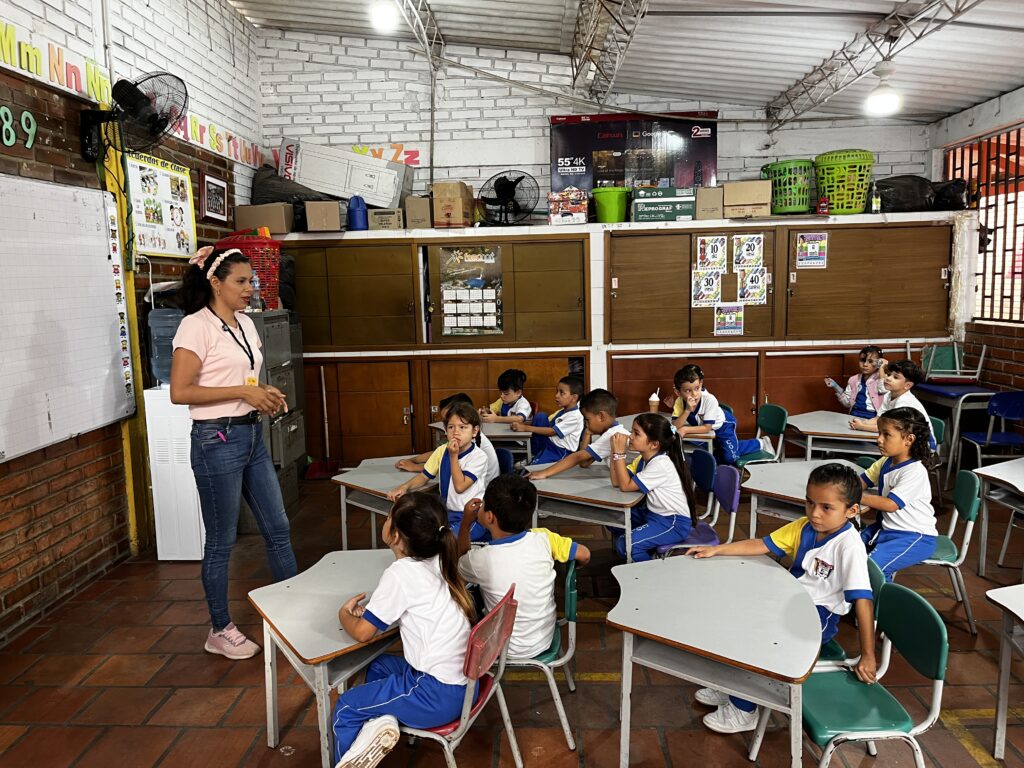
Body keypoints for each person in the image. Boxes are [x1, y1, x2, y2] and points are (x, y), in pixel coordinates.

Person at [170, 245, 296, 660]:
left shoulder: (245, 324)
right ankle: (219, 628)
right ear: (215, 283)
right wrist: (243, 391)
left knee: (277, 528)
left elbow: (242, 376)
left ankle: (291, 615)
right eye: (241, 281)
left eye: (251, 281)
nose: (250, 288)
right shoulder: (195, 327)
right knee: (221, 541)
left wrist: (260, 393)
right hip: (215, 441)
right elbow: (181, 392)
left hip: (251, 435)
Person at [690, 463, 876, 734]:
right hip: (792, 601)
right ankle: (732, 687)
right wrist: (718, 550)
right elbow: (763, 544)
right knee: (740, 618)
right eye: (810, 502)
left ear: (851, 511)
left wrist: (868, 654)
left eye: (826, 507)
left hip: (818, 615)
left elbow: (863, 601)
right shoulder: (804, 527)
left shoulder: (849, 546)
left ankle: (744, 710)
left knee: (764, 641)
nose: (814, 513)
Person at [330, 492, 477, 768]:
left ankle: (355, 753)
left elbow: (362, 633)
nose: (385, 520)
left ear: (395, 535)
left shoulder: (400, 574)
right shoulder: (440, 557)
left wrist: (344, 613)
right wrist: (374, 613)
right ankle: (379, 729)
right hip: (464, 684)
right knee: (379, 666)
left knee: (347, 707)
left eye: (388, 517)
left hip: (436, 694)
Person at [456, 474, 591, 658]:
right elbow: (584, 554)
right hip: (545, 637)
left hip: (503, 649)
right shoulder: (543, 538)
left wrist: (466, 522)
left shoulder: (481, 559)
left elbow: (461, 559)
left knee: (464, 599)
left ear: (489, 517)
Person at [388, 401, 491, 541]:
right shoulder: (442, 451)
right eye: (451, 427)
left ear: (474, 431)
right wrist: (404, 487)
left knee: (444, 542)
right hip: (446, 513)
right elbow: (424, 476)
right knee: (422, 536)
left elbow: (460, 487)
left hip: (470, 516)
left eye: (462, 427)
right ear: (445, 430)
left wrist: (453, 456)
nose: (456, 432)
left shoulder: (478, 457)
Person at [858, 407, 939, 581]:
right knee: (848, 549)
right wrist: (840, 485)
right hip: (886, 529)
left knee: (873, 570)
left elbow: (890, 504)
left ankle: (879, 606)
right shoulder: (886, 461)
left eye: (886, 435)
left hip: (914, 536)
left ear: (909, 439)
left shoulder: (914, 471)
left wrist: (852, 495)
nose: (879, 439)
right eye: (879, 433)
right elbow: (862, 481)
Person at [608, 413, 695, 561]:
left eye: (636, 433)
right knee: (613, 518)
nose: (630, 436)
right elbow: (617, 481)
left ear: (654, 444)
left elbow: (625, 486)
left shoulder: (660, 464)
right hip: (652, 514)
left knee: (627, 545)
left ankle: (650, 575)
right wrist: (614, 452)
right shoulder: (644, 459)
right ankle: (642, 553)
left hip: (672, 522)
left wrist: (619, 453)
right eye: (632, 431)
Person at [669, 365, 768, 465]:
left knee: (731, 458)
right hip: (706, 431)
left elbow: (707, 427)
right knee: (699, 454)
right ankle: (722, 452)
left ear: (701, 384)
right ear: (678, 392)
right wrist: (687, 411)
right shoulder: (679, 402)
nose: (694, 394)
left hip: (723, 426)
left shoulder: (709, 399)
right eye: (688, 391)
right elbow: (675, 425)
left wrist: (685, 429)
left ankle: (760, 443)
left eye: (697, 388)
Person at [526, 388, 629, 481]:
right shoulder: (611, 432)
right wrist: (587, 433)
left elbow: (578, 457)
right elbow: (584, 463)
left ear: (601, 416)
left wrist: (544, 473)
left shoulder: (613, 435)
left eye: (587, 419)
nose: (585, 424)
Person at [394, 393, 499, 483]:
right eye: (447, 422)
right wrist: (412, 460)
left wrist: (415, 467)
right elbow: (440, 453)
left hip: (481, 491)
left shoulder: (470, 440)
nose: (447, 426)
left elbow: (449, 466)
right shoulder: (464, 433)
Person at [850, 359, 935, 449]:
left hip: (923, 446)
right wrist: (863, 422)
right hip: (902, 441)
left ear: (907, 385)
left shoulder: (904, 402)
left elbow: (886, 428)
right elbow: (879, 419)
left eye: (895, 377)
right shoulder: (889, 395)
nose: (888, 378)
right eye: (889, 374)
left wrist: (862, 426)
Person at [510, 375, 585, 465]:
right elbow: (549, 426)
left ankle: (535, 459)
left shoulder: (575, 417)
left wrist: (525, 428)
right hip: (550, 443)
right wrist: (523, 425)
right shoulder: (563, 411)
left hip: (560, 451)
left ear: (574, 398)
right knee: (541, 416)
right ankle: (535, 454)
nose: (556, 396)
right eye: (556, 391)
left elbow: (552, 432)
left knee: (535, 467)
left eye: (561, 393)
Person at [831, 345, 885, 419]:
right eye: (862, 360)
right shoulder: (854, 379)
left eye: (870, 361)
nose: (865, 364)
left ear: (879, 362)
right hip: (854, 414)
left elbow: (884, 390)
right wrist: (836, 387)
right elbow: (847, 404)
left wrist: (882, 369)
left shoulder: (882, 379)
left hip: (874, 417)